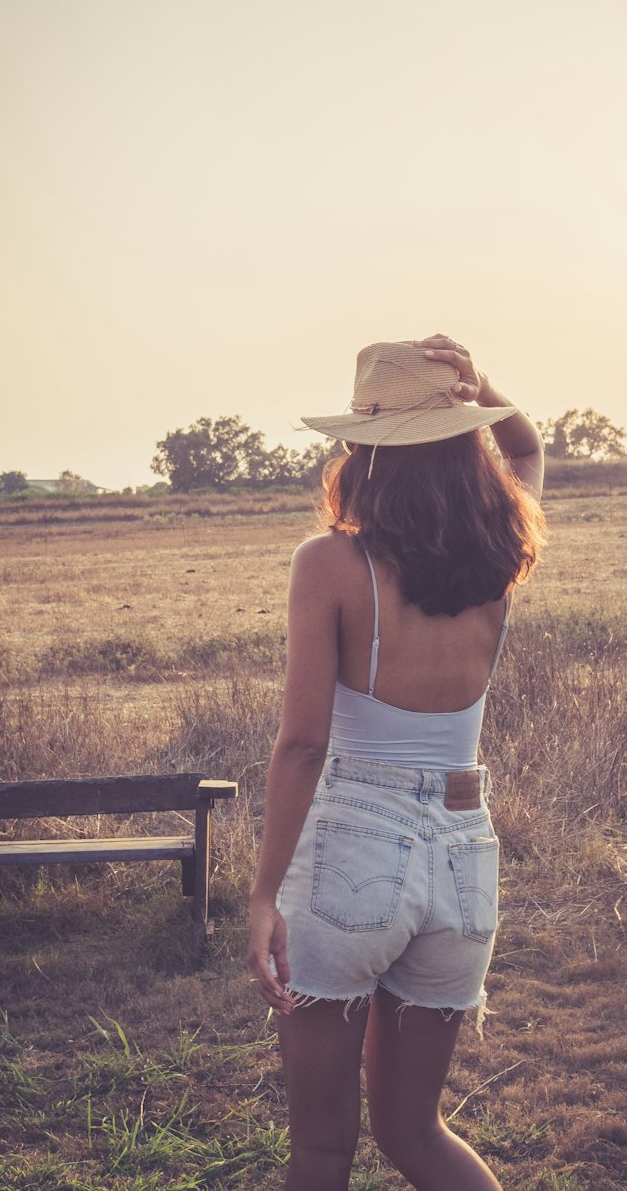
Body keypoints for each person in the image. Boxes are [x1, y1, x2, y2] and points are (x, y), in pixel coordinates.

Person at [247, 334, 545, 1190]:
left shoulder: (332, 562)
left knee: (321, 1149)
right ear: (464, 440)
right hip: (465, 852)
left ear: (366, 451)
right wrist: (478, 383)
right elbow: (524, 445)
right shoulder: (502, 551)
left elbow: (303, 745)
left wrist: (265, 894)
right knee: (416, 1132)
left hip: (354, 849)